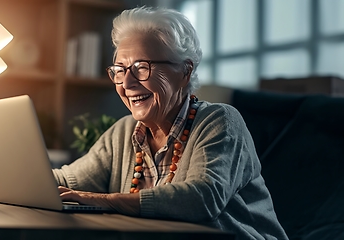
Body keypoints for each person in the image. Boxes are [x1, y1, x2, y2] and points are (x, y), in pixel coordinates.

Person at [53, 6, 289, 240]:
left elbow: (202, 198)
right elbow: (68, 181)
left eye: (141, 68)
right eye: (120, 70)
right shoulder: (123, 133)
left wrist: (109, 201)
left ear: (185, 72)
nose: (126, 83)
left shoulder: (220, 122)